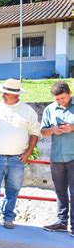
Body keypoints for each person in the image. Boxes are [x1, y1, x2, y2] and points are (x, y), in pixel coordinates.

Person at [0, 78, 40, 229]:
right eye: (3, 91)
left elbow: (34, 133)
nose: (3, 94)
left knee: (13, 189)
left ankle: (8, 218)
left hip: (17, 159)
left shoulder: (27, 111)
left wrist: (28, 153)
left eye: (7, 92)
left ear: (17, 94)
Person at [40, 81, 74, 237]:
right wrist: (53, 130)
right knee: (60, 191)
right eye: (57, 99)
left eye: (63, 98)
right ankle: (61, 222)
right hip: (56, 158)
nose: (61, 101)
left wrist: (72, 128)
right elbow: (43, 131)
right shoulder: (50, 109)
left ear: (70, 93)